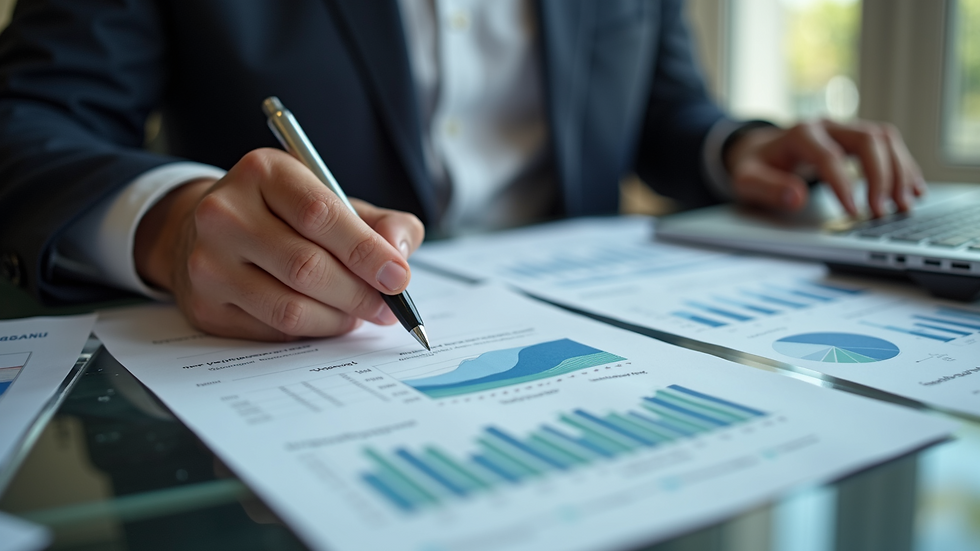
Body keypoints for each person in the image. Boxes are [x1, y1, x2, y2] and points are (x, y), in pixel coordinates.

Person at [0, 0, 924, 340]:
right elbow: (27, 115)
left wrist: (734, 147)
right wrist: (171, 221)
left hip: (593, 337)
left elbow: (664, 108)